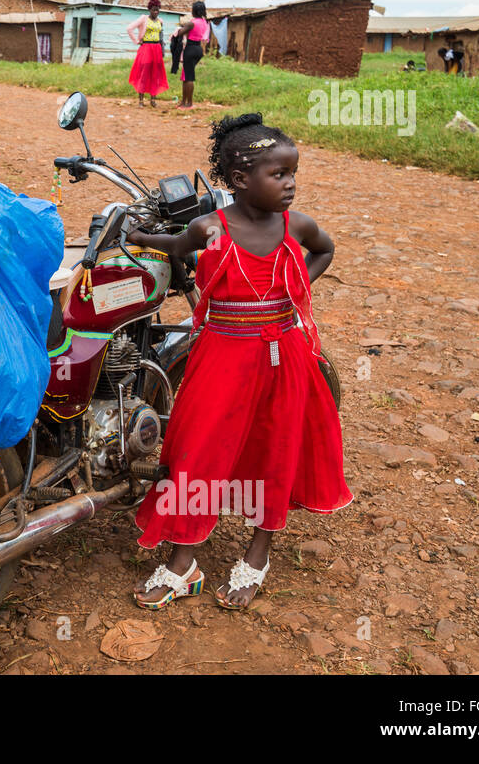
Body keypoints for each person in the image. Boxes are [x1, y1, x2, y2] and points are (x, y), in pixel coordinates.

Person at [126, 112, 352, 611]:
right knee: (198, 450)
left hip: (284, 356)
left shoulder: (299, 227)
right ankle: (184, 561)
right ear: (240, 181)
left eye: (293, 172)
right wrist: (142, 239)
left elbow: (325, 251)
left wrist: (290, 293)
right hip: (222, 355)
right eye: (279, 174)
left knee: (275, 448)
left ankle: (258, 555)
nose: (290, 184)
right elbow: (176, 247)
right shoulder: (208, 228)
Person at [126, 0, 169, 106]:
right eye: (154, 9)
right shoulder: (144, 19)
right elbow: (129, 28)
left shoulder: (160, 21)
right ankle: (141, 101)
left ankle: (153, 100)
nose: (156, 12)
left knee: (156, 74)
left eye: (158, 9)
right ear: (149, 9)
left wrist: (163, 50)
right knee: (144, 73)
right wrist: (137, 41)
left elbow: (161, 36)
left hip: (157, 49)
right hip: (146, 48)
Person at [173, 0, 209, 109]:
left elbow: (180, 33)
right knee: (186, 76)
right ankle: (184, 102)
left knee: (189, 77)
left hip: (191, 49)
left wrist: (179, 29)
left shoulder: (192, 23)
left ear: (194, 11)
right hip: (198, 49)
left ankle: (189, 103)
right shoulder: (204, 22)